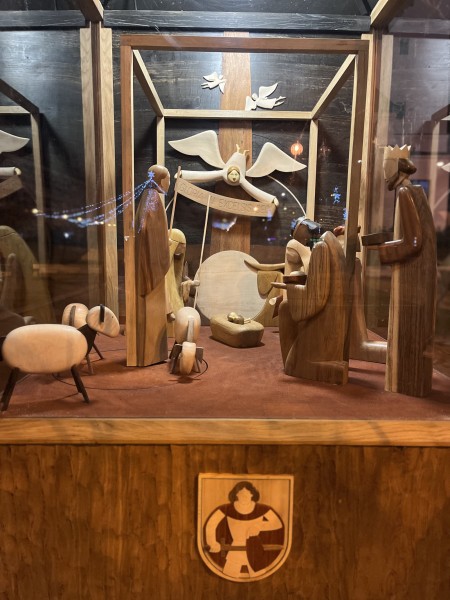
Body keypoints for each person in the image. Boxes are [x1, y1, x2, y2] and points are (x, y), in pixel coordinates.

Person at [204, 481, 284, 578]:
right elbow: (211, 524)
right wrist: (212, 543)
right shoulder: (226, 508)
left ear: (252, 494)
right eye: (241, 493)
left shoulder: (262, 508)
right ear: (236, 495)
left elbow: (277, 523)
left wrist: (259, 526)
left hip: (255, 549)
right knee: (228, 576)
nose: (244, 495)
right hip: (235, 548)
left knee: (259, 578)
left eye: (247, 493)